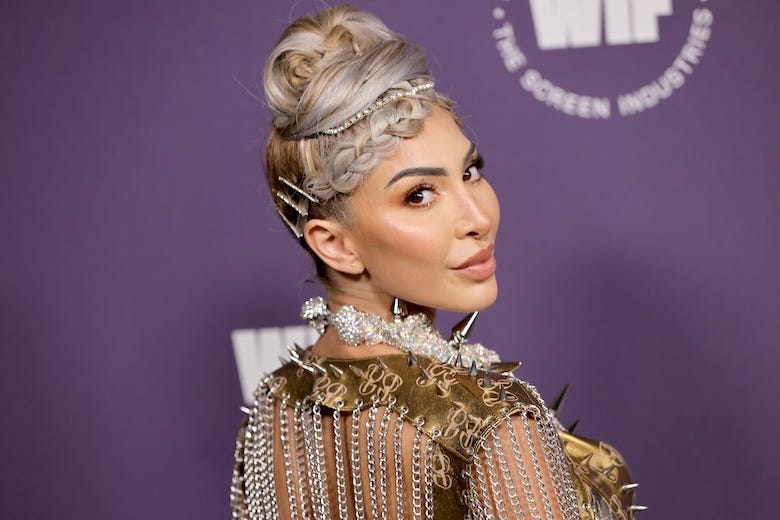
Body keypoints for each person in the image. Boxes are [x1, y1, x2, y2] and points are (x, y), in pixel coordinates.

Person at [231, 5, 643, 519]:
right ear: (335, 244)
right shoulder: (489, 420)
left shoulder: (277, 402)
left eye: (470, 172)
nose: (477, 217)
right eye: (420, 195)